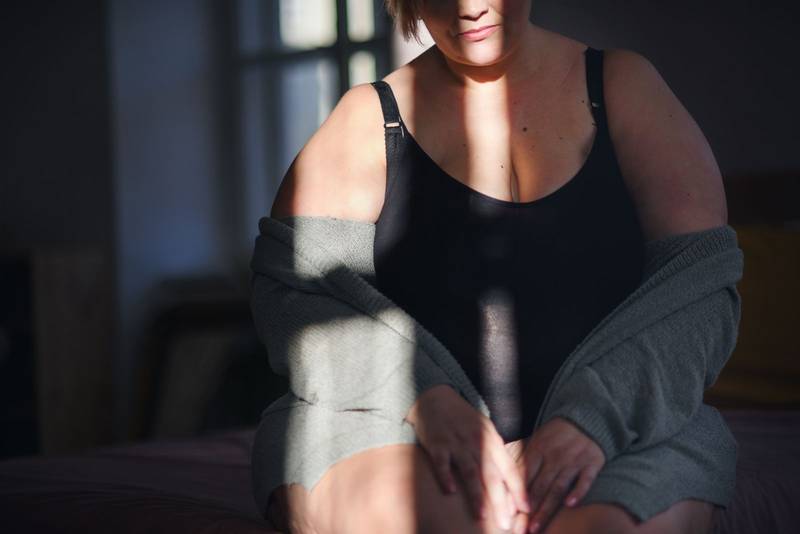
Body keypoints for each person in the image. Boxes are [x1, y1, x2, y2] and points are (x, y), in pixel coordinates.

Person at [264, 1, 729, 533]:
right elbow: (297, 299)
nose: (471, 7)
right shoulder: (367, 119)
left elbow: (698, 292)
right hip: (387, 422)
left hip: (628, 420)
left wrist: (593, 419)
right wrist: (424, 398)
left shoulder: (623, 85)